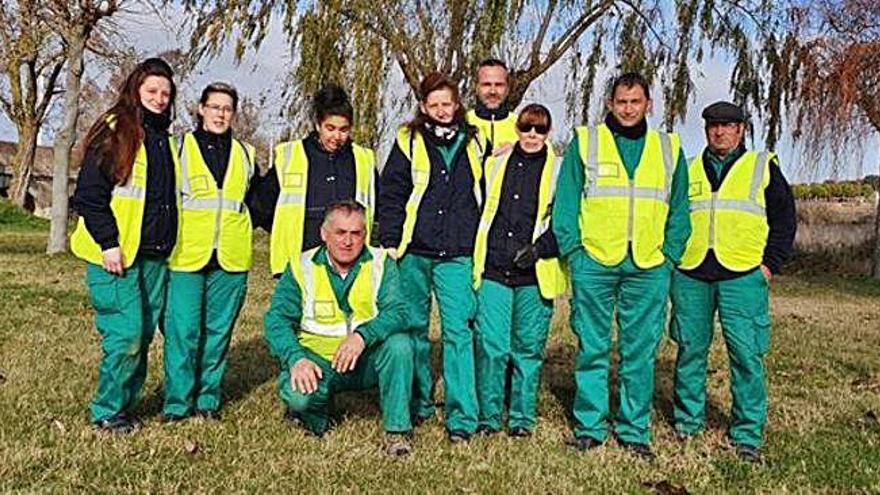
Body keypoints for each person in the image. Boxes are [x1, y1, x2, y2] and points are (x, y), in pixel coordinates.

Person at [552, 72, 691, 460]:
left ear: (649, 104)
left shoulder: (669, 147)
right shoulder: (586, 142)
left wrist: (670, 256)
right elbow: (565, 204)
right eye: (621, 102)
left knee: (640, 351)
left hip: (649, 264)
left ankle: (633, 430)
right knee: (592, 347)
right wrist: (575, 252)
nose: (628, 109)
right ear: (610, 104)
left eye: (636, 102)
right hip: (594, 260)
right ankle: (590, 428)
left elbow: (681, 208)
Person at [669, 101, 796, 463]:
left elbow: (785, 221)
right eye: (713, 126)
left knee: (746, 355)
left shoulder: (761, 167)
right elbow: (672, 216)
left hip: (743, 275)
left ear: (741, 130)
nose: (719, 132)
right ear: (706, 129)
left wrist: (769, 266)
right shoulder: (689, 168)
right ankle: (687, 424)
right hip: (691, 273)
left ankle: (746, 434)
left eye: (727, 126)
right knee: (690, 351)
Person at [377, 72, 489, 443]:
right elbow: (392, 190)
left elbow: (488, 187)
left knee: (459, 332)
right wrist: (391, 238)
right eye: (434, 104)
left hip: (457, 253)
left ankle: (462, 418)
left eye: (448, 103)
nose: (442, 110)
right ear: (424, 107)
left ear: (457, 105)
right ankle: (417, 403)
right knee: (412, 330)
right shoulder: (407, 140)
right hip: (414, 249)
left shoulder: (475, 141)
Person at [70, 57, 180, 433]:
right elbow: (89, 194)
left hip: (153, 256)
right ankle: (107, 411)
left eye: (166, 93)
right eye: (152, 91)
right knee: (127, 333)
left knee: (144, 334)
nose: (160, 98)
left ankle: (125, 407)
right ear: (136, 90)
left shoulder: (165, 139)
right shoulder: (116, 129)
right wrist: (108, 242)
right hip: (116, 254)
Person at [263, 200, 414, 456]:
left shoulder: (380, 263)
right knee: (300, 398)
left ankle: (396, 431)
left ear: (365, 235)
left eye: (356, 234)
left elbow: (399, 312)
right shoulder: (302, 265)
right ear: (324, 234)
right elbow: (276, 320)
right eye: (340, 233)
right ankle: (317, 415)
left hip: (365, 359)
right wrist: (295, 358)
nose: (348, 241)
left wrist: (363, 336)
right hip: (317, 362)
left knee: (400, 346)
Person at [161, 82, 264, 422]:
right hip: (187, 254)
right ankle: (177, 404)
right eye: (215, 107)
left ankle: (207, 401)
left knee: (218, 333)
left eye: (227, 109)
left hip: (231, 258)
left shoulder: (247, 154)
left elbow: (257, 202)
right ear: (201, 109)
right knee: (183, 331)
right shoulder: (178, 148)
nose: (221, 114)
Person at [472, 104, 567, 438]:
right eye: (526, 128)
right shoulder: (495, 162)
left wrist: (540, 249)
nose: (532, 135)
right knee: (492, 347)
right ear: (517, 129)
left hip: (535, 271)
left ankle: (523, 420)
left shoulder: (560, 170)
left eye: (539, 130)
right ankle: (488, 417)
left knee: (527, 350)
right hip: (495, 269)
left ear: (548, 133)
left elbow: (567, 221)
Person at [262, 84, 376, 277]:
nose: (336, 136)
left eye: (343, 129)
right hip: (298, 258)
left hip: (351, 262)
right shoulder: (290, 155)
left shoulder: (364, 159)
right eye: (330, 128)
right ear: (318, 125)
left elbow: (378, 207)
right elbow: (263, 205)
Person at [466, 58, 519, 149]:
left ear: (507, 89)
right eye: (486, 84)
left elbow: (547, 155)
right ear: (476, 88)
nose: (493, 91)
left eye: (499, 85)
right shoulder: (462, 123)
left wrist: (518, 150)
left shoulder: (523, 126)